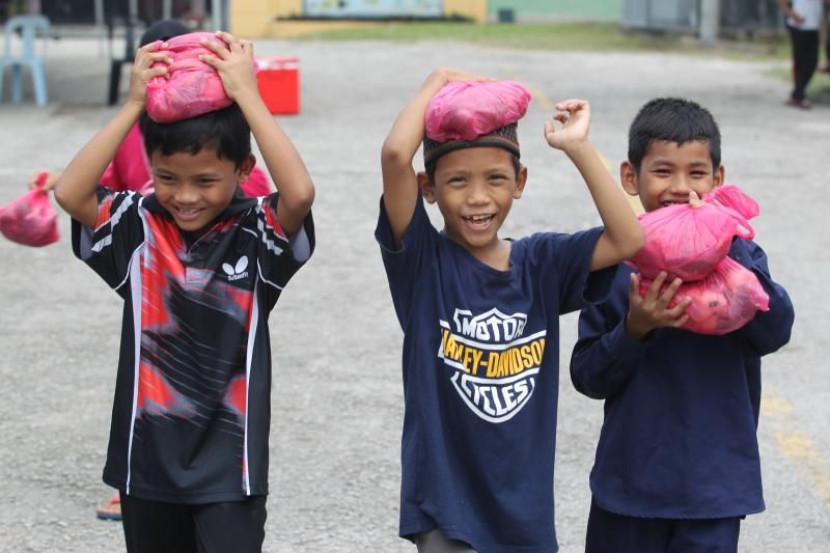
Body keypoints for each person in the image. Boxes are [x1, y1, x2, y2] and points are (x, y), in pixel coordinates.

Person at [53, 30, 314, 553]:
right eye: (167, 177)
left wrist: (248, 95)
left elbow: (300, 193)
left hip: (231, 468)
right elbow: (70, 192)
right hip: (145, 463)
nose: (185, 196)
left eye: (205, 180)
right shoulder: (137, 228)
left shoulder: (256, 233)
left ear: (243, 170)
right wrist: (133, 104)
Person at [375, 67, 645, 553]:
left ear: (519, 182)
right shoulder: (422, 263)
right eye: (457, 181)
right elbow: (395, 154)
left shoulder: (542, 263)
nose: (478, 198)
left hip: (525, 513)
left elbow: (628, 239)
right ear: (428, 188)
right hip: (446, 509)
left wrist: (579, 148)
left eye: (495, 179)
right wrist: (438, 80)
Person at [569, 98, 794, 553]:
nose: (679, 187)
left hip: (712, 490)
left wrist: (723, 254)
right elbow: (588, 376)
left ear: (717, 179)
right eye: (662, 171)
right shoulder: (617, 262)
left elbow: (775, 331)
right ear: (630, 177)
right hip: (630, 486)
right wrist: (634, 329)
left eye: (696, 173)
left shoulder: (738, 254)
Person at [778, 0, 826, 109]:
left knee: (812, 62)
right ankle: (798, 96)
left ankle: (797, 94)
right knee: (801, 63)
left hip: (813, 26)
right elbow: (782, 2)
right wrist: (793, 16)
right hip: (798, 26)